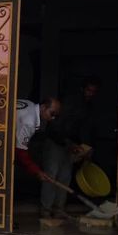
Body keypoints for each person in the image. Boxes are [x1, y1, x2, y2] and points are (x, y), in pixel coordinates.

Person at [41, 76, 101, 218]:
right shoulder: (69, 101)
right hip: (56, 142)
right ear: (82, 89)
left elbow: (85, 129)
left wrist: (86, 148)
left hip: (71, 146)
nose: (90, 94)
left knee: (64, 177)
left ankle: (59, 209)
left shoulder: (88, 107)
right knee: (51, 176)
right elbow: (56, 126)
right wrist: (69, 143)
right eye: (88, 90)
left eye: (93, 91)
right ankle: (46, 210)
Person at [14, 98, 60, 185]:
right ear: (43, 107)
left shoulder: (30, 104)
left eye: (56, 116)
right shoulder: (30, 122)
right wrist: (37, 171)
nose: (53, 118)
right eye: (52, 113)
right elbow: (20, 152)